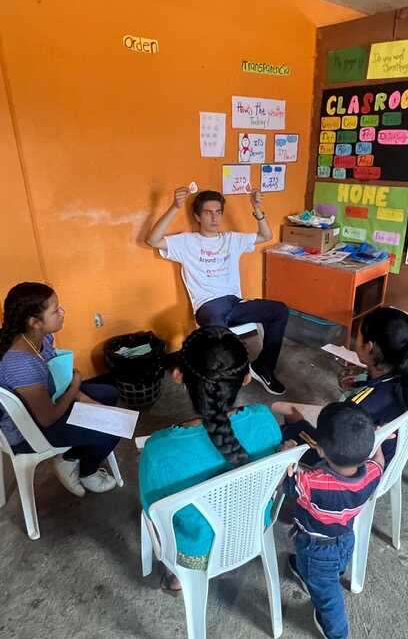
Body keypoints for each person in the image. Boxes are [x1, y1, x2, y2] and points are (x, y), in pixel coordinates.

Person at [138, 326, 282, 588]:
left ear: (178, 376)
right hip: (252, 533)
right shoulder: (265, 419)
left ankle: (177, 579)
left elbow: (153, 513)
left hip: (197, 555)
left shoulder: (158, 450)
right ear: (246, 378)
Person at [146, 186, 288, 395]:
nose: (214, 217)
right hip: (208, 306)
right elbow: (152, 240)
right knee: (220, 334)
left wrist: (257, 208)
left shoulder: (232, 239)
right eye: (208, 212)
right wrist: (175, 207)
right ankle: (227, 378)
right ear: (197, 217)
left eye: (218, 212)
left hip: (235, 303)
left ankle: (263, 367)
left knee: (279, 310)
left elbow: (266, 235)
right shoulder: (186, 241)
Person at [0, 282, 120, 496]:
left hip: (48, 402)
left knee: (108, 395)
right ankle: (87, 470)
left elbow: (58, 380)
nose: (62, 312)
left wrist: (86, 400)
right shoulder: (20, 363)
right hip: (28, 431)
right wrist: (75, 388)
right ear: (35, 322)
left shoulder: (41, 338)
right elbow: (47, 419)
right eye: (55, 311)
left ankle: (70, 457)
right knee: (113, 427)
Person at [279, 307, 408, 465]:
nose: (355, 342)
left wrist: (299, 422)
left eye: (358, 337)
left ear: (369, 347)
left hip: (345, 462)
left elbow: (333, 444)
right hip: (384, 454)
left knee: (286, 422)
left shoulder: (356, 408)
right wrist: (363, 382)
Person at [284, 402, 384, 639]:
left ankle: (338, 633)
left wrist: (286, 454)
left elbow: (286, 484)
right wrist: (378, 443)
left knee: (327, 596)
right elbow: (379, 460)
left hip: (316, 549)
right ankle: (310, 571)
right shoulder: (373, 472)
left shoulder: (310, 482)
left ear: (320, 450)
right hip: (345, 537)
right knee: (334, 569)